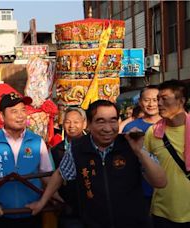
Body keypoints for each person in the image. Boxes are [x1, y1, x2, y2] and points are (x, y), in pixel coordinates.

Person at [27, 100, 167, 228]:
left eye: (113, 121)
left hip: (133, 223)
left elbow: (160, 182)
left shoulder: (130, 144)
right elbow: (61, 173)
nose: (107, 128)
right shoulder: (77, 148)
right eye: (100, 121)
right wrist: (42, 202)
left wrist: (139, 152)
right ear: (89, 123)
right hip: (93, 223)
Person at [0, 92, 53, 228]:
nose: (20, 115)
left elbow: (47, 177)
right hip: (0, 215)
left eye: (23, 110)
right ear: (1, 116)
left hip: (32, 213)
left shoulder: (37, 142)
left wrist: (54, 199)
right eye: (14, 111)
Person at [143, 80, 190, 227]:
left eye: (164, 99)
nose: (159, 104)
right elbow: (144, 166)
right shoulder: (153, 132)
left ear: (181, 100)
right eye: (158, 99)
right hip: (162, 212)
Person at [122, 85, 161, 213]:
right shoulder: (131, 128)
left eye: (155, 100)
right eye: (147, 100)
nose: (151, 104)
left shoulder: (170, 124)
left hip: (169, 189)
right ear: (140, 102)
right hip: (140, 189)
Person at [50, 107, 86, 228]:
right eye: (67, 122)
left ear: (84, 123)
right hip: (68, 207)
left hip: (94, 206)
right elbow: (53, 177)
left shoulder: (93, 144)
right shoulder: (56, 150)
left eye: (76, 122)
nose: (71, 126)